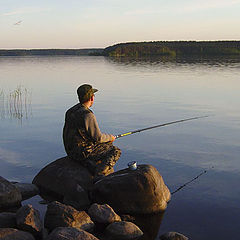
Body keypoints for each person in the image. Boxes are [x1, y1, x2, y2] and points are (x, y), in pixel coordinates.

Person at [63, 84, 121, 177]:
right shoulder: (88, 115)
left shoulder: (70, 111)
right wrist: (111, 137)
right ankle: (100, 175)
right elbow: (98, 137)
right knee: (115, 151)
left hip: (70, 150)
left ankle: (89, 164)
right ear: (91, 98)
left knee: (106, 144)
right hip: (81, 152)